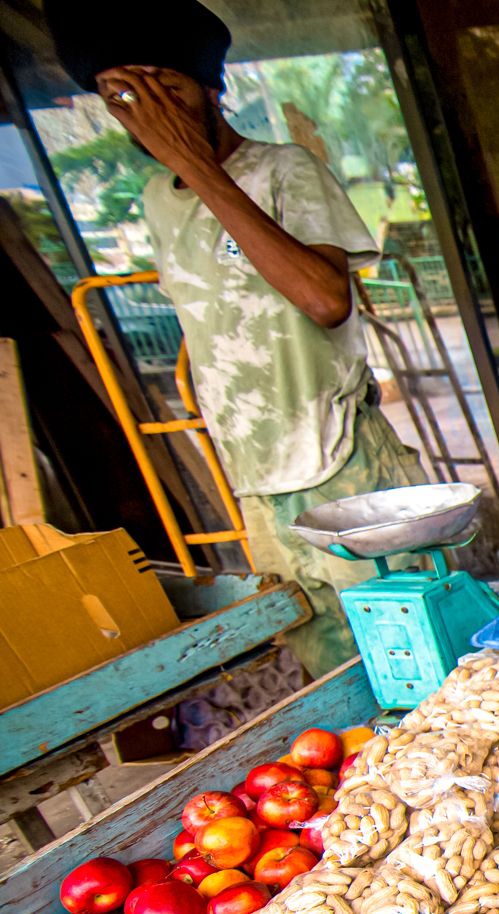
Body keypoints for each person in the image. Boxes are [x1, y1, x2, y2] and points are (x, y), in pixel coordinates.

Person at [52, 0, 423, 676]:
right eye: (121, 93)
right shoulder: (156, 199)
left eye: (166, 86)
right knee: (324, 657)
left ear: (211, 90)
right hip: (255, 477)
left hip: (337, 459)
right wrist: (183, 171)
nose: (146, 109)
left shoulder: (283, 172)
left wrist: (201, 169)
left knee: (407, 646)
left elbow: (324, 299)